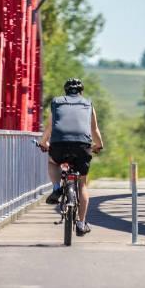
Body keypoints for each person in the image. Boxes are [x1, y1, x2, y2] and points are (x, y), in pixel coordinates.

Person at [38, 78, 104, 236]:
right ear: (81, 92)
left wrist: (43, 142)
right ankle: (81, 223)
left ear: (65, 91)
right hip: (82, 147)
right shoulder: (88, 103)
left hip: (59, 145)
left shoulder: (57, 103)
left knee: (53, 161)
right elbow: (94, 129)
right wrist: (99, 145)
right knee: (82, 184)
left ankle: (56, 188)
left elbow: (50, 127)